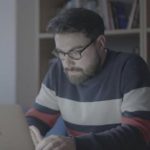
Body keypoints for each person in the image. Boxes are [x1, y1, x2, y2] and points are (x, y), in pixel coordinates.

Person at [26, 8, 150, 150]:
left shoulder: (129, 68)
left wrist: (76, 144)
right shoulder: (58, 71)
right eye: (61, 53)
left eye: (75, 52)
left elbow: (138, 132)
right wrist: (30, 131)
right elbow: (36, 118)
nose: (67, 63)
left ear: (100, 43)